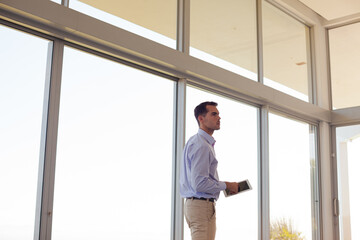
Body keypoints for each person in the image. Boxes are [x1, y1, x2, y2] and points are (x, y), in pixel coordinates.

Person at [180, 101, 239, 240]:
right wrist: (227, 185)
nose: (219, 117)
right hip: (201, 206)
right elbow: (199, 184)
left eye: (218, 114)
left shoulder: (197, 142)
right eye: (214, 114)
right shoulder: (202, 145)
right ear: (201, 118)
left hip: (198, 205)